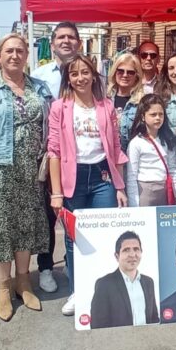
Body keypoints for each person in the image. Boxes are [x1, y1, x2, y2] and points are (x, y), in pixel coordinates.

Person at [0, 34, 53, 321]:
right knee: (3, 228)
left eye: (20, 50)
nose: (14, 55)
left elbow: (51, 129)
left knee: (28, 225)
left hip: (32, 170)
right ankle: (3, 288)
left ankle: (24, 282)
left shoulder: (40, 90)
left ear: (27, 55)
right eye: (9, 51)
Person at [47, 54, 128, 317]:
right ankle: (78, 291)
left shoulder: (106, 107)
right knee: (74, 239)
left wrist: (120, 186)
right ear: (68, 79)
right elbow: (54, 151)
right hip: (73, 179)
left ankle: (104, 292)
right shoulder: (60, 107)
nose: (80, 78)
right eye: (74, 74)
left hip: (102, 176)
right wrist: (56, 192)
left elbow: (115, 148)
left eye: (85, 72)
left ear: (94, 75)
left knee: (104, 236)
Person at [32, 21, 82, 294]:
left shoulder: (89, 74)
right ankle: (46, 268)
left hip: (82, 157)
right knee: (48, 216)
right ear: (52, 44)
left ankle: (79, 266)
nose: (66, 41)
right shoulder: (38, 77)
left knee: (77, 214)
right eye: (61, 37)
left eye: (71, 37)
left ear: (79, 43)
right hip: (50, 155)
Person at [90, 231, 159, 329]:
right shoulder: (104, 284)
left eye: (136, 249)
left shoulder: (148, 282)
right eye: (126, 250)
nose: (132, 254)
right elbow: (98, 326)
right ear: (117, 256)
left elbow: (154, 318)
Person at [126, 94, 176, 207]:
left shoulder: (168, 140)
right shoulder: (136, 143)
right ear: (143, 117)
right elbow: (131, 176)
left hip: (165, 190)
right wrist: (134, 205)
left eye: (161, 114)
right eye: (153, 115)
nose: (158, 118)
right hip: (145, 191)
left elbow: (173, 169)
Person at [107, 52, 145, 151]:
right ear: (114, 72)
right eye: (120, 71)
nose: (125, 75)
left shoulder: (143, 103)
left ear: (137, 76)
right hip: (108, 159)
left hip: (132, 158)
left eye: (130, 72)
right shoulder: (105, 99)